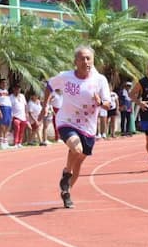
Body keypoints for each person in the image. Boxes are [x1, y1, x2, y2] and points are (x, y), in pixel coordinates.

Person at [39, 46, 111, 208]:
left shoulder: (100, 80)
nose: (85, 61)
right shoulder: (66, 77)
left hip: (89, 127)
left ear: (93, 60)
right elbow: (49, 86)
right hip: (67, 121)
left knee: (79, 163)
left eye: (88, 58)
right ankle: (66, 174)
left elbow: (108, 104)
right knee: (76, 148)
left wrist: (101, 102)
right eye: (82, 58)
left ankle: (67, 191)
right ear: (75, 61)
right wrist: (45, 105)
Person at [0, 78, 12, 149]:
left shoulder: (6, 91)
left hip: (8, 109)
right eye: (3, 83)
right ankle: (1, 143)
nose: (4, 84)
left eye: (5, 83)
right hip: (2, 108)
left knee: (7, 126)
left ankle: (5, 142)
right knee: (2, 126)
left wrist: (11, 111)